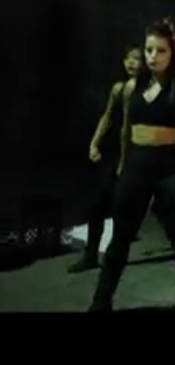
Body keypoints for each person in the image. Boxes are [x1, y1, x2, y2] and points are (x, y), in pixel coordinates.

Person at [88, 19, 175, 312]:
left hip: (170, 169)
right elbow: (125, 129)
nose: (153, 56)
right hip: (137, 168)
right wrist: (123, 165)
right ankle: (100, 304)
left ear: (172, 54)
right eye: (149, 50)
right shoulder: (131, 87)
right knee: (120, 240)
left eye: (160, 51)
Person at [69, 45, 142, 273]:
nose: (131, 63)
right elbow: (108, 117)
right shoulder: (119, 89)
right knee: (98, 204)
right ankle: (91, 255)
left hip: (140, 153)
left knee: (156, 208)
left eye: (137, 59)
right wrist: (94, 142)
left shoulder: (148, 91)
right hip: (116, 154)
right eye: (128, 58)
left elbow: (130, 129)